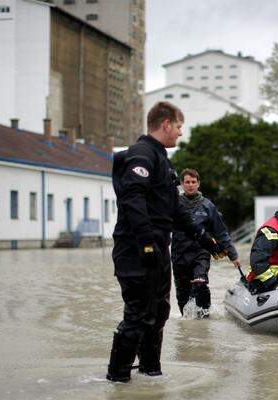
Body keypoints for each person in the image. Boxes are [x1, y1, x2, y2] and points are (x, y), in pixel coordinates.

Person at [107, 101, 226, 383]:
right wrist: (147, 243)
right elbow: (133, 198)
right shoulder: (142, 155)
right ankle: (117, 379)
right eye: (179, 126)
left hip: (159, 249)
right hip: (136, 250)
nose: (181, 133)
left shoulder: (162, 159)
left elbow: (175, 208)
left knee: (159, 311)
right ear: (165, 125)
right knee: (138, 314)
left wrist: (203, 237)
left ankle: (151, 374)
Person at [171, 168, 241, 317]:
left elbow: (221, 232)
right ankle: (188, 324)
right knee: (183, 295)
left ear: (198, 184)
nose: (190, 185)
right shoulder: (174, 204)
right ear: (182, 184)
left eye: (193, 182)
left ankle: (204, 316)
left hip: (200, 253)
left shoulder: (208, 206)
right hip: (179, 255)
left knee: (200, 282)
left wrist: (233, 255)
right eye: (187, 182)